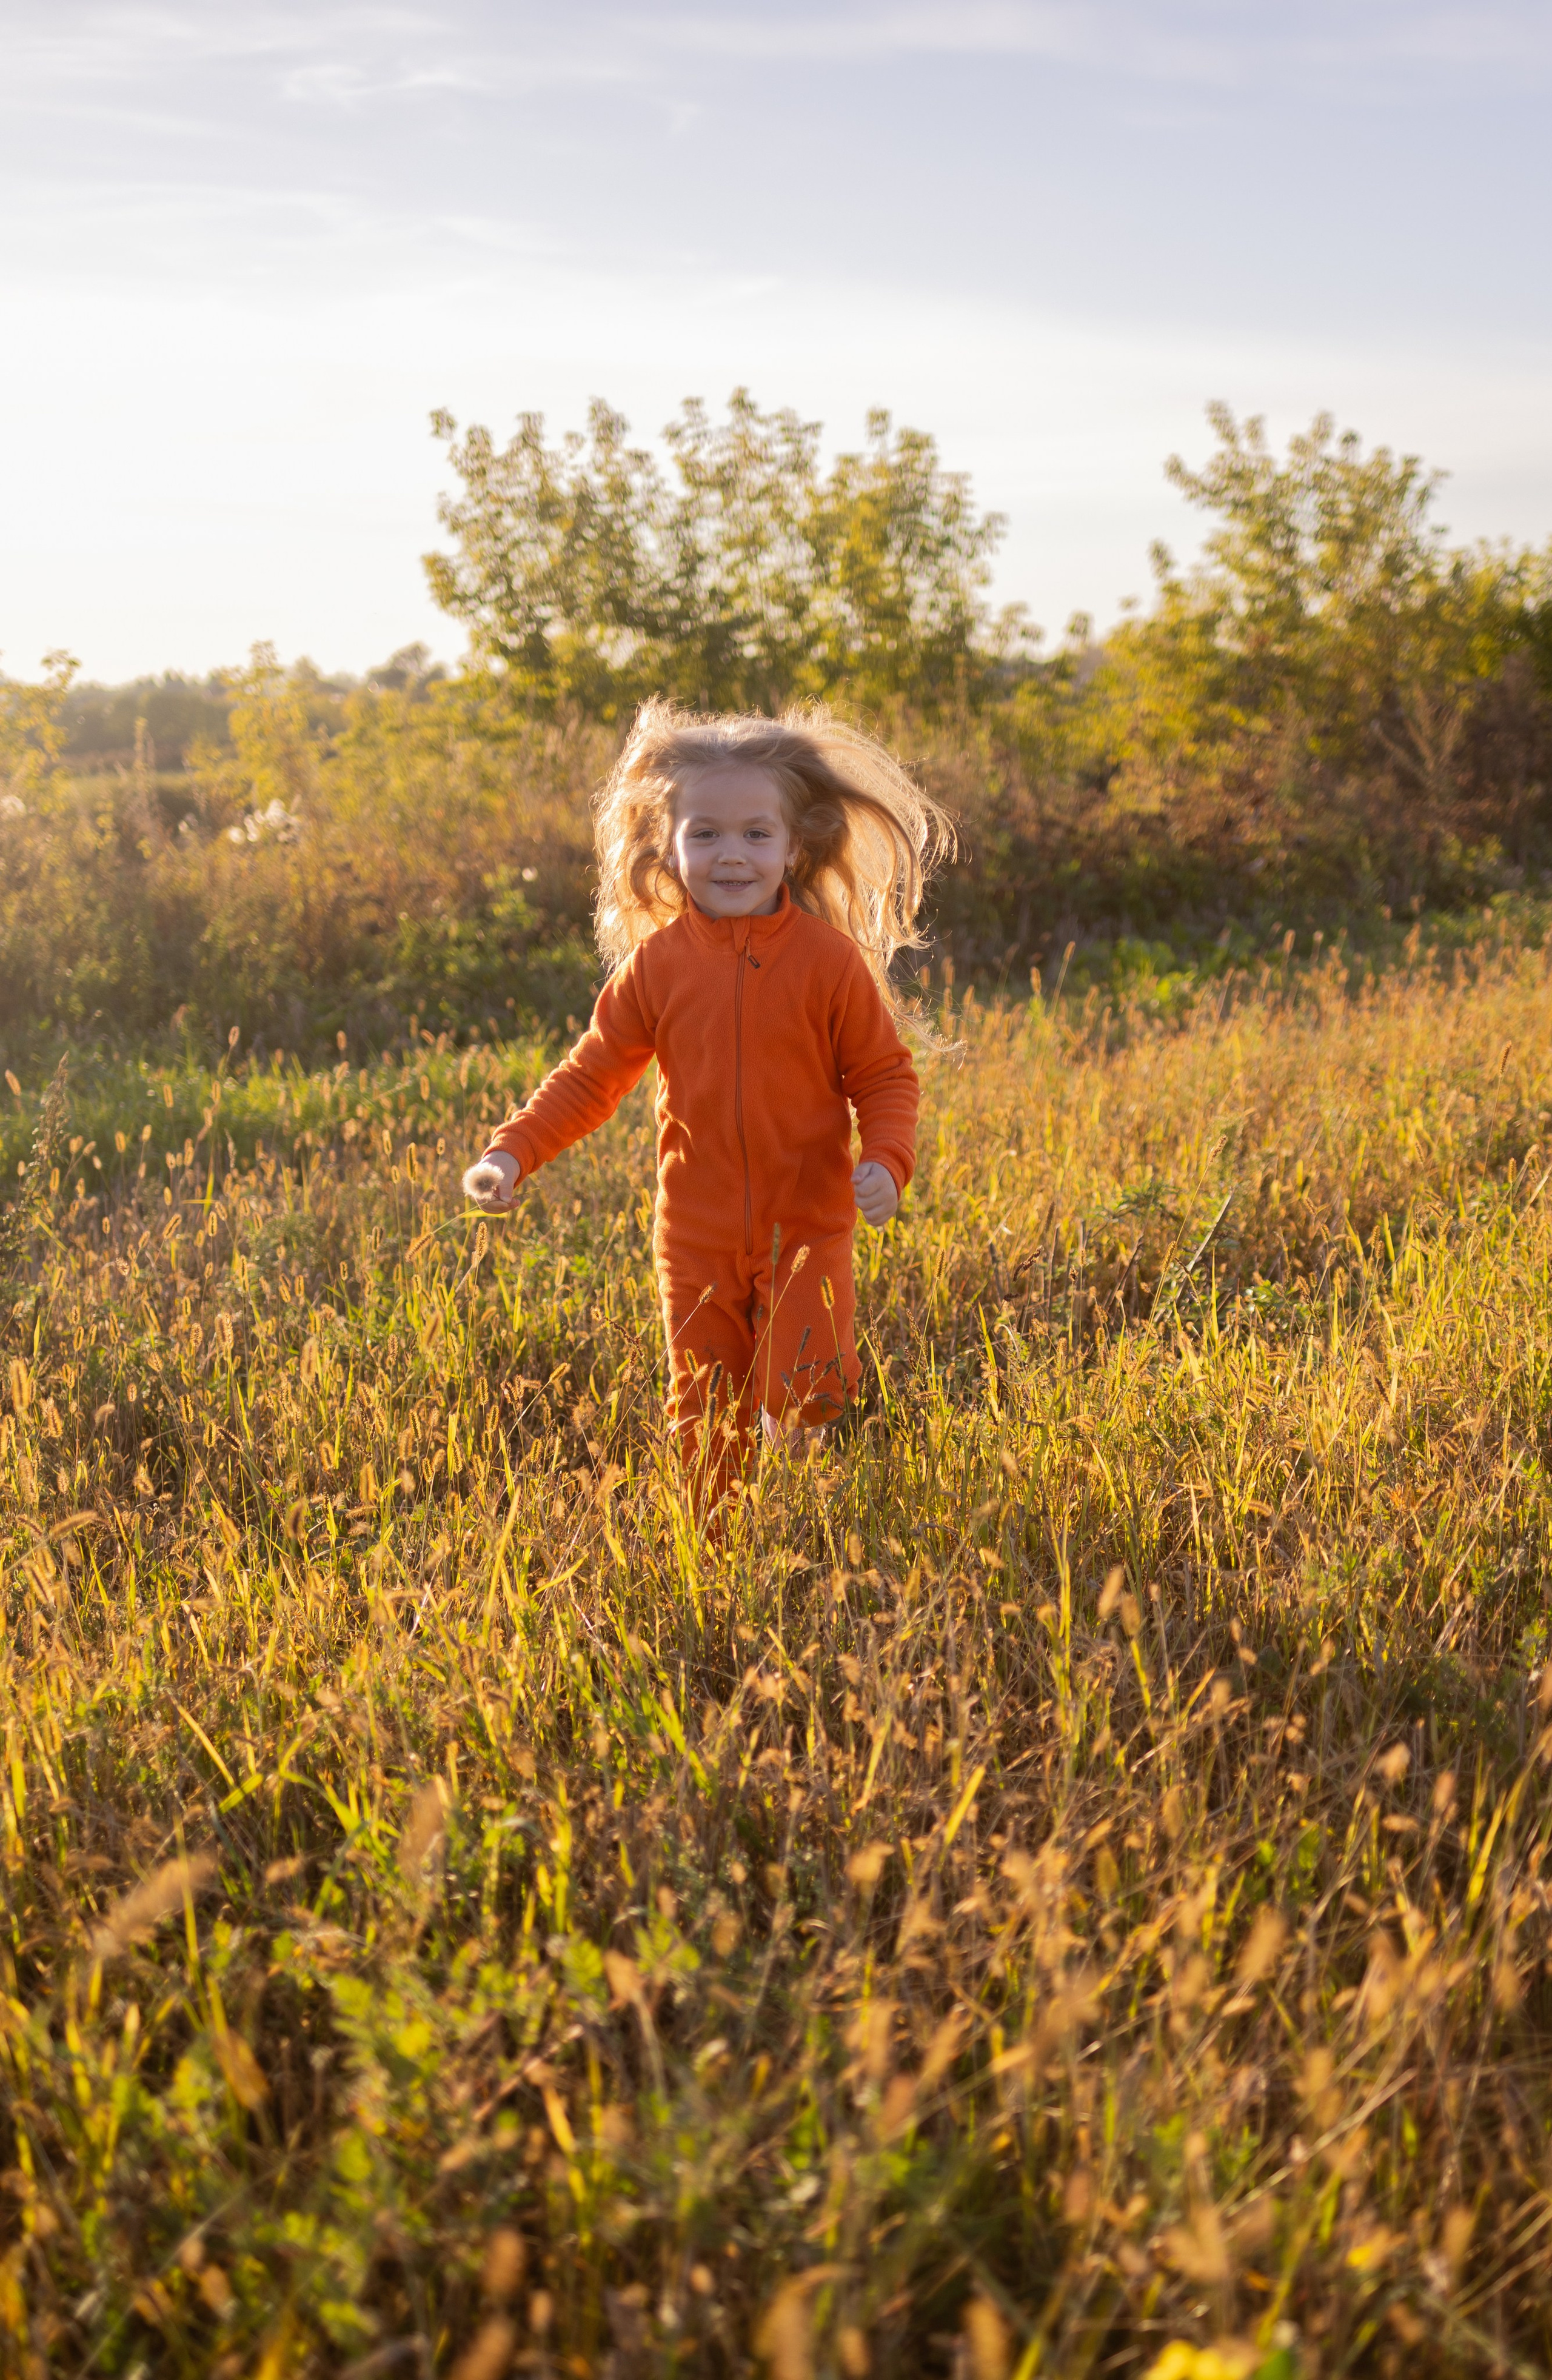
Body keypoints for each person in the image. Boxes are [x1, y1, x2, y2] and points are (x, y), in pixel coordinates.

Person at [463, 700, 952, 1499]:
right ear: (668, 844)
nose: (732, 854)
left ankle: (795, 1524)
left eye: (757, 834)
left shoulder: (827, 964)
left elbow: (884, 1075)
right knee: (705, 1412)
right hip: (695, 1234)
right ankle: (719, 1548)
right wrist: (511, 1152)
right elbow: (591, 1076)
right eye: (706, 834)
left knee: (808, 1391)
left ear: (794, 847)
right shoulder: (656, 969)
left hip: (808, 1223)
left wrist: (888, 1159)